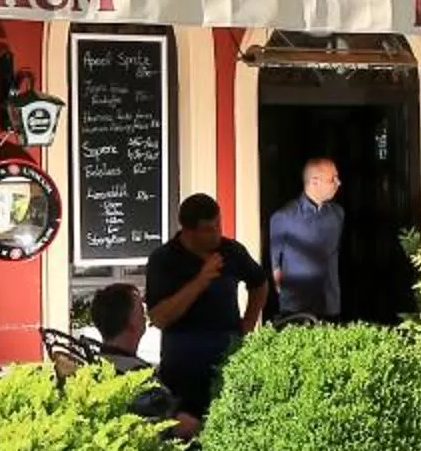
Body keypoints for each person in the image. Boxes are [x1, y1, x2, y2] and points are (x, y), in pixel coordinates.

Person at [143, 194, 265, 414]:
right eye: (208, 229)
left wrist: (247, 325)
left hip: (228, 363)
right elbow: (159, 318)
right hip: (182, 370)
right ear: (188, 231)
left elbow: (259, 283)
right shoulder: (163, 260)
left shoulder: (231, 251)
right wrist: (201, 280)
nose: (217, 233)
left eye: (219, 224)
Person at [86, 279, 198, 436]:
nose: (145, 316)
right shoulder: (134, 375)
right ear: (130, 323)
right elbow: (180, 425)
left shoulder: (96, 366)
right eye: (140, 310)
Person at [268, 157, 345, 324]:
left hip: (331, 305)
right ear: (315, 181)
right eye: (332, 179)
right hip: (297, 308)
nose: (338, 183)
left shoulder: (337, 214)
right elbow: (275, 266)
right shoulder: (284, 217)